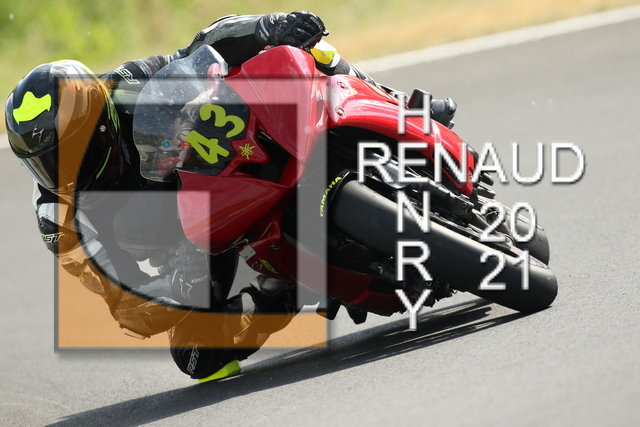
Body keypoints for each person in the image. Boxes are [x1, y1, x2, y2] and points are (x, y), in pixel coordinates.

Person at [5, 11, 456, 382]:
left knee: (307, 50)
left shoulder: (121, 88)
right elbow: (124, 303)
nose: (59, 172)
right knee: (198, 357)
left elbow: (201, 47)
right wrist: (175, 289)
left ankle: (398, 106)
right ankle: (280, 290)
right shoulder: (57, 218)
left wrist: (269, 27)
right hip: (192, 252)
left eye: (68, 152)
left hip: (219, 163)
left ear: (99, 123)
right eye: (43, 163)